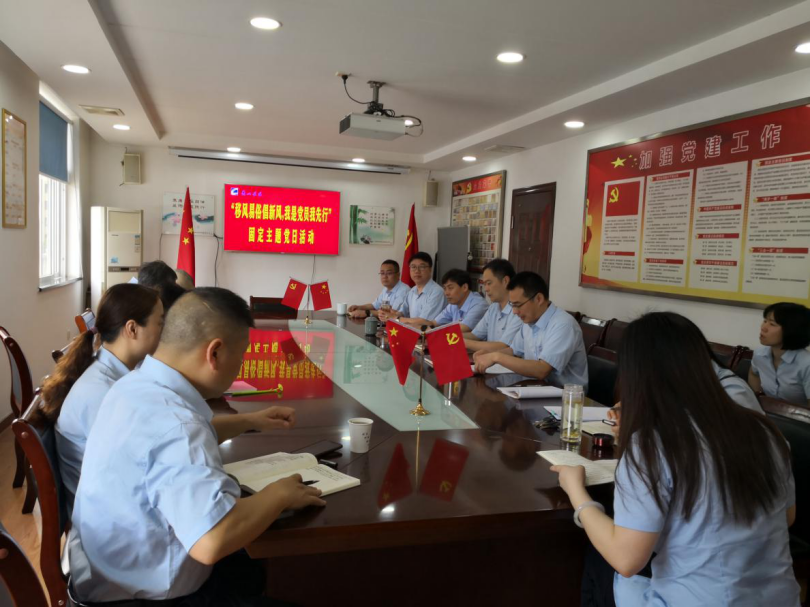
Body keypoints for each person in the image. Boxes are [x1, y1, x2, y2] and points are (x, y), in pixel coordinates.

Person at [68, 288, 325, 604]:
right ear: (214, 353)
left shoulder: (134, 385)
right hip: (144, 596)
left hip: (109, 572)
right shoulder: (178, 425)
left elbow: (175, 440)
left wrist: (252, 420)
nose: (242, 364)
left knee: (255, 570)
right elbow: (211, 539)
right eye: (242, 354)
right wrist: (279, 494)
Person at [551, 311, 799, 606]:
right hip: (778, 599)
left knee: (599, 557)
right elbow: (788, 517)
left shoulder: (653, 443)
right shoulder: (764, 430)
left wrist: (576, 491)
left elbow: (626, 559)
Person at [36, 283, 164, 511]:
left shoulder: (110, 371)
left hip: (112, 500)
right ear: (132, 329)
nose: (164, 332)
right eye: (160, 323)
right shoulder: (102, 392)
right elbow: (141, 464)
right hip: (106, 514)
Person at [473, 271, 588, 391]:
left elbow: (542, 370)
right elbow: (514, 351)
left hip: (566, 397)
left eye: (518, 305)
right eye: (512, 305)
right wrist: (488, 355)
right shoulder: (529, 320)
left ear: (538, 299)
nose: (514, 311)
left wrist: (496, 357)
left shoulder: (563, 325)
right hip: (536, 389)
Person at [749, 302, 810, 406]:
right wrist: (759, 398)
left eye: (772, 324)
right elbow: (753, 374)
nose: (763, 327)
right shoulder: (760, 354)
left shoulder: (806, 364)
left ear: (792, 330)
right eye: (765, 321)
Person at [463, 258, 522, 353]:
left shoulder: (519, 310)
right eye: (484, 284)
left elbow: (503, 346)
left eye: (489, 283)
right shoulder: (493, 307)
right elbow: (475, 335)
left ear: (505, 281)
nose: (486, 289)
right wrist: (450, 336)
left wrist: (464, 343)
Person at [412, 269, 487, 329]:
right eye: (445, 288)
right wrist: (413, 326)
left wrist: (430, 330)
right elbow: (434, 323)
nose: (446, 293)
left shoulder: (479, 305)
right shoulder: (454, 304)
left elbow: (462, 329)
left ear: (464, 287)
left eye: (450, 288)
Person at [388, 252, 446, 324]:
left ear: (430, 269)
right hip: (413, 329)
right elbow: (403, 312)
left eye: (422, 267)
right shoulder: (412, 291)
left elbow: (424, 322)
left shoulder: (437, 292)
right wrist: (391, 314)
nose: (417, 271)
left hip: (429, 330)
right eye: (413, 267)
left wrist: (395, 318)